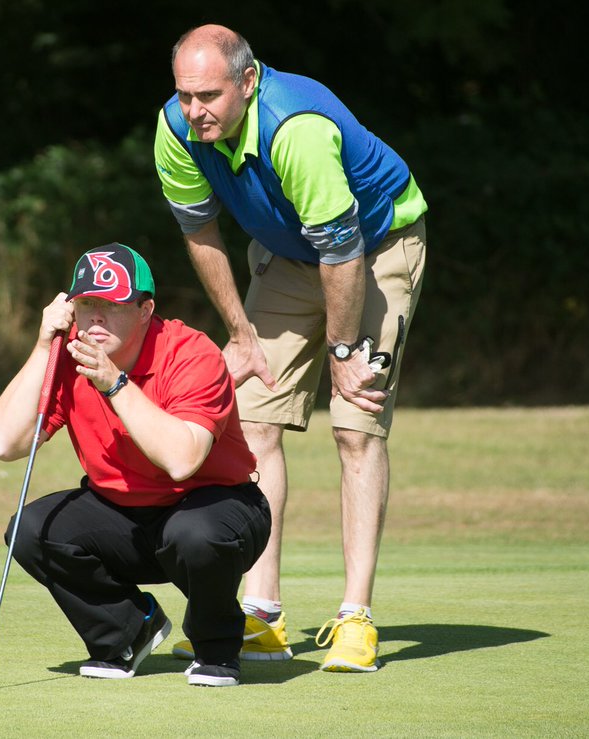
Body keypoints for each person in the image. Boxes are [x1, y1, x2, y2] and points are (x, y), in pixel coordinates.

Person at [153, 24, 428, 672]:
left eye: (210, 95)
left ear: (247, 82)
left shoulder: (295, 127)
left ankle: (356, 616)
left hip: (377, 247)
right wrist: (240, 333)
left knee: (355, 423)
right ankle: (261, 613)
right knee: (248, 420)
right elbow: (199, 229)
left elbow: (343, 248)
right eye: (186, 95)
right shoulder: (174, 130)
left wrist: (341, 353)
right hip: (285, 255)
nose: (196, 111)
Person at [0, 242, 272, 687]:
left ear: (145, 310)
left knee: (194, 535)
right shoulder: (67, 355)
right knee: (31, 529)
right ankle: (125, 631)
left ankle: (217, 647)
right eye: (87, 305)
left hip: (216, 505)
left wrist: (114, 384)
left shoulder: (193, 353)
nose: (96, 319)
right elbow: (3, 443)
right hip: (122, 512)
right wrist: (44, 346)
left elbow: (183, 461)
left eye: (112, 306)